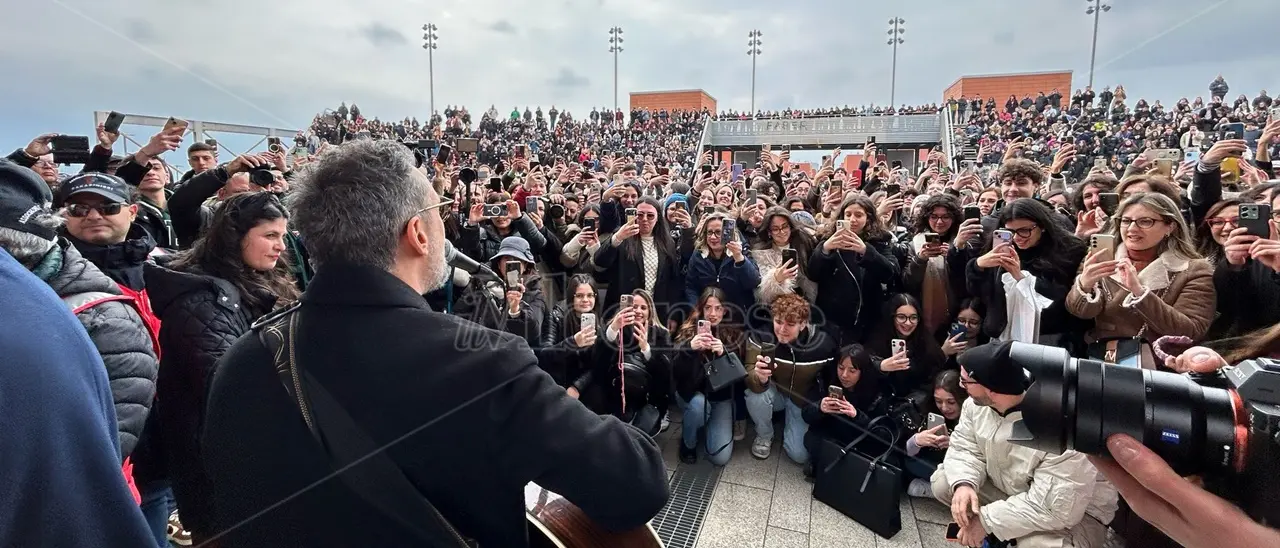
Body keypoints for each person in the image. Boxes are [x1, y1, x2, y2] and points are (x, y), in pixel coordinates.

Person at [202, 140, 667, 547]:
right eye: (439, 212)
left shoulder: (245, 361)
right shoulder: (482, 363)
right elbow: (637, 485)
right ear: (418, 234)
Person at [145, 191, 300, 543]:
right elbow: (230, 390)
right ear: (235, 237)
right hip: (219, 475)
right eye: (270, 235)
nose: (280, 246)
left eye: (283, 236)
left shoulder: (258, 282)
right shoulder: (202, 302)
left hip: (250, 465)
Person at [0, 247, 155, 547]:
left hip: (111, 482)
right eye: (79, 209)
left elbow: (94, 444)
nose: (93, 216)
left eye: (108, 207)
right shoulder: (30, 298)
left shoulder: (33, 309)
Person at [932, 341, 1117, 548]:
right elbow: (965, 445)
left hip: (1073, 515)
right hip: (1015, 490)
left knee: (1036, 545)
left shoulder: (1058, 426)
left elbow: (1055, 507)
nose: (961, 386)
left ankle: (1009, 533)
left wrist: (986, 521)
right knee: (945, 482)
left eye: (965, 382)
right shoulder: (975, 405)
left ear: (990, 388)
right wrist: (964, 484)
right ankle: (1002, 533)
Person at [1067, 193, 1216, 367]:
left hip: (1161, 366)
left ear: (1170, 227)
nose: (1132, 229)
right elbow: (1080, 312)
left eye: (1145, 222)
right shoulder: (1101, 257)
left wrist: (1140, 293)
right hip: (1101, 356)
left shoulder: (1194, 269)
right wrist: (1085, 285)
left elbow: (1191, 331)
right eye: (1126, 221)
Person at [744, 293, 839, 463]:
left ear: (803, 324)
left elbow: (832, 379)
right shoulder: (761, 337)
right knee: (754, 396)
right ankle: (764, 434)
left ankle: (790, 426)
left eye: (790, 324)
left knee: (799, 456)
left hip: (802, 399)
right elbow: (749, 375)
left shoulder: (823, 345)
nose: (782, 329)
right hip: (775, 391)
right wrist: (760, 378)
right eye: (778, 322)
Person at [670, 287, 747, 465]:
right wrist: (689, 349)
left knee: (719, 457)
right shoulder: (689, 331)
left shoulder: (735, 333)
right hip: (692, 395)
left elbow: (739, 380)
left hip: (720, 398)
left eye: (718, 308)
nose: (713, 313)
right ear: (701, 309)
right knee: (697, 407)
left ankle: (705, 423)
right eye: (708, 308)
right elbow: (674, 371)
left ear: (725, 309)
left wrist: (724, 355)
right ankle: (688, 443)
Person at [800, 343, 886, 477]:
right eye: (841, 368)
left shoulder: (875, 392)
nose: (844, 375)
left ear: (862, 372)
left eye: (852, 371)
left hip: (856, 442)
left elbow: (881, 434)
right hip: (827, 436)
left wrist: (857, 416)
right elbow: (805, 414)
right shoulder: (824, 378)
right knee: (809, 441)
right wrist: (820, 407)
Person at [904, 370, 966, 498]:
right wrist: (917, 441)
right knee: (911, 463)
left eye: (951, 402)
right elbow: (907, 452)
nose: (944, 407)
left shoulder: (971, 417)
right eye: (938, 401)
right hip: (933, 463)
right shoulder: (926, 411)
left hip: (960, 466)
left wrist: (954, 443)